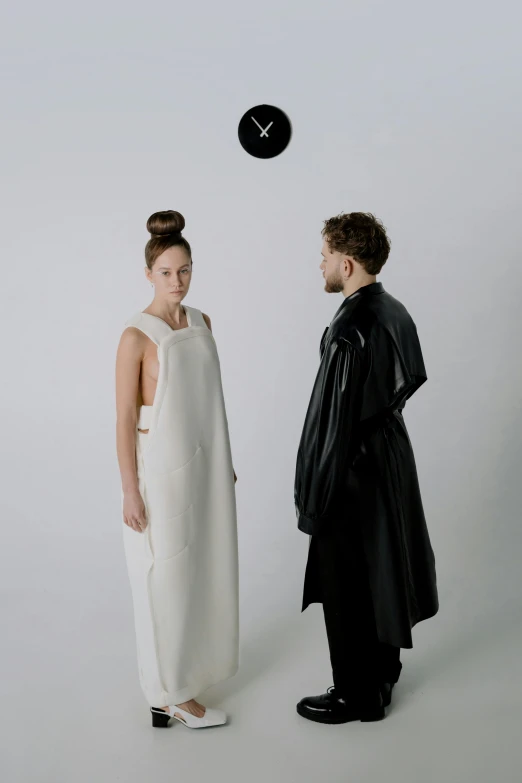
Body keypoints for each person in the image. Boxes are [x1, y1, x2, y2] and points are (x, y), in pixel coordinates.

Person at [294, 212, 439, 724]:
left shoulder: (350, 327)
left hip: (352, 468)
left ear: (347, 262)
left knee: (346, 580)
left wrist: (313, 491)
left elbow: (330, 420)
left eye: (326, 255)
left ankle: (356, 696)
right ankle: (381, 677)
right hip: (390, 457)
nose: (321, 264)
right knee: (381, 566)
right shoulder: (392, 309)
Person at [115, 210, 239, 729]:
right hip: (159, 472)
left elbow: (213, 399)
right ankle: (167, 692)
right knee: (163, 575)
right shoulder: (136, 336)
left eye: (185, 270)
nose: (178, 281)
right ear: (148, 273)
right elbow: (123, 417)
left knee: (200, 570)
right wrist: (130, 491)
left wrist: (225, 463)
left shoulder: (203, 323)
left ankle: (187, 678)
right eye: (167, 272)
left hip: (205, 467)